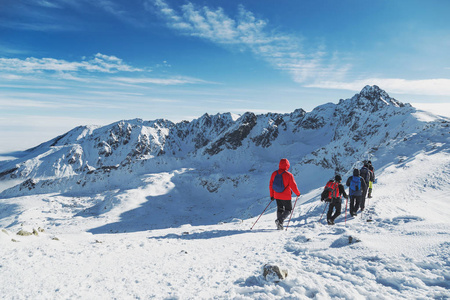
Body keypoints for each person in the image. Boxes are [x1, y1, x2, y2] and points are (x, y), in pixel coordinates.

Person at [269, 158, 301, 230]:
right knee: (288, 209)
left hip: (277, 195)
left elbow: (271, 185)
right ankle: (280, 221)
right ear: (287, 165)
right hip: (286, 196)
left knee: (280, 209)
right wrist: (298, 193)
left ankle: (279, 225)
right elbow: (293, 186)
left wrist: (272, 195)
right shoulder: (289, 175)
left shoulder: (274, 173)